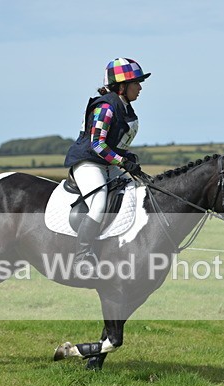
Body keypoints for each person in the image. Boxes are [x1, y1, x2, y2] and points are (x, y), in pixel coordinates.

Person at [64, 57, 151, 274]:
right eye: (136, 83)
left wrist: (129, 157)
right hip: (88, 162)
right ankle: (82, 257)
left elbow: (115, 145)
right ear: (122, 86)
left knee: (135, 191)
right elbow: (97, 145)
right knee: (99, 203)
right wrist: (123, 161)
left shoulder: (125, 107)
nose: (140, 88)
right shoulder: (106, 107)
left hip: (105, 162)